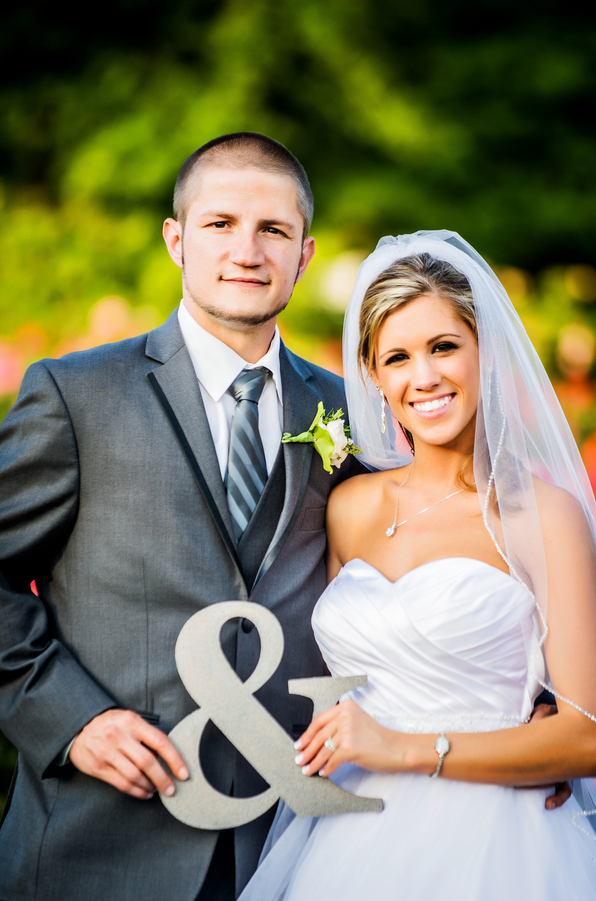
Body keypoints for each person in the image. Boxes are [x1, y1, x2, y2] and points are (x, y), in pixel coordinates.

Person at [0, 133, 365, 901]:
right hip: (100, 844)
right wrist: (72, 719)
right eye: (220, 224)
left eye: (273, 230)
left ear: (304, 254)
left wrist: (522, 687)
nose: (247, 250)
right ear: (176, 239)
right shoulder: (74, 395)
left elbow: (420, 556)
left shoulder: (348, 411)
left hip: (290, 845)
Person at [239, 231, 596, 901]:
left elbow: (590, 735)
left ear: (484, 353)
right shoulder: (347, 506)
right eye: (396, 357)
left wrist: (405, 745)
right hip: (351, 843)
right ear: (373, 377)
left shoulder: (541, 515)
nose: (423, 377)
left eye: (442, 347)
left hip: (498, 841)